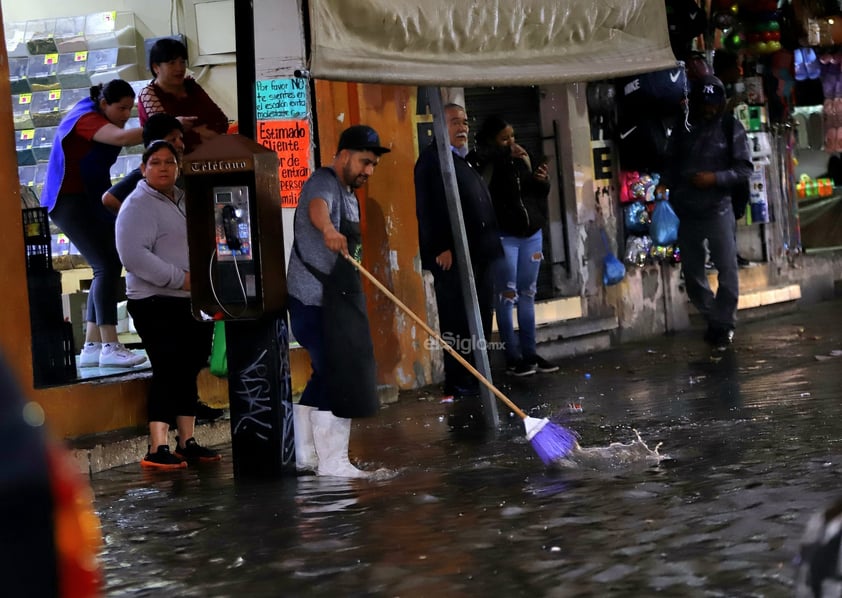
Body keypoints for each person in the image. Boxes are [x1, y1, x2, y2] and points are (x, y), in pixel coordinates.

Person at [102, 113, 225, 424]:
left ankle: (187, 435)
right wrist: (179, 278)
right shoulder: (137, 200)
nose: (165, 166)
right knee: (169, 367)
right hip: (156, 298)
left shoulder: (183, 196)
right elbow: (133, 254)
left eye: (171, 160)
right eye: (157, 161)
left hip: (190, 298)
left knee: (189, 365)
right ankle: (159, 446)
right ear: (144, 167)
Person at [286, 125, 390, 478]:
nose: (368, 171)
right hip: (314, 301)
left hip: (337, 301)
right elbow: (317, 208)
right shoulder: (324, 182)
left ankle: (306, 457)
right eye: (364, 162)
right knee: (336, 372)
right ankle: (334, 463)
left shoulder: (348, 192)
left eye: (373, 165)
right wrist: (329, 230)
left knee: (323, 374)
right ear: (344, 154)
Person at [40, 80, 148, 369]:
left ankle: (92, 345)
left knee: (109, 264)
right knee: (106, 265)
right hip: (68, 200)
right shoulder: (87, 118)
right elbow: (121, 139)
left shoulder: (96, 112)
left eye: (130, 108)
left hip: (88, 197)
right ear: (104, 104)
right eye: (121, 108)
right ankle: (110, 344)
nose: (126, 115)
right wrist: (163, 127)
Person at [414, 104, 503, 416]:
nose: (462, 128)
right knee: (456, 321)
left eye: (465, 122)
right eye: (454, 122)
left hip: (478, 256)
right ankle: (460, 381)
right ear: (439, 125)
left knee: (478, 320)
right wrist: (440, 246)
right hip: (453, 259)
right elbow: (428, 207)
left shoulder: (460, 159)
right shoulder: (430, 161)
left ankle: (478, 377)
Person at [661, 75, 752, 350]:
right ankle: (716, 319)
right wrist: (664, 183)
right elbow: (671, 161)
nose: (709, 109)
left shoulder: (730, 127)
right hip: (686, 210)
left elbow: (744, 169)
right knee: (692, 272)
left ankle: (723, 324)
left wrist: (715, 179)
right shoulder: (684, 127)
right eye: (705, 104)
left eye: (714, 104)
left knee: (727, 269)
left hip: (718, 209)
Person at [470, 115, 558, 377]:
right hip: (504, 236)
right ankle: (513, 357)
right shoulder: (486, 161)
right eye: (504, 138)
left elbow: (534, 193)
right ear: (492, 140)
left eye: (513, 137)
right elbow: (482, 185)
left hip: (531, 233)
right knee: (507, 295)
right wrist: (501, 155)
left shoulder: (523, 156)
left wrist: (542, 180)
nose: (511, 142)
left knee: (528, 293)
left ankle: (530, 353)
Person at [138, 37, 229, 155]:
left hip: (208, 159)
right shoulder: (149, 95)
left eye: (182, 62)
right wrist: (199, 133)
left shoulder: (191, 86)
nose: (179, 68)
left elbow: (221, 122)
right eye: (172, 63)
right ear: (156, 67)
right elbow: (166, 139)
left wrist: (187, 131)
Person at [102, 113, 185, 213]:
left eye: (181, 139)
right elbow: (109, 199)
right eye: (173, 140)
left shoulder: (180, 169)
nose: (180, 145)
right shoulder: (146, 173)